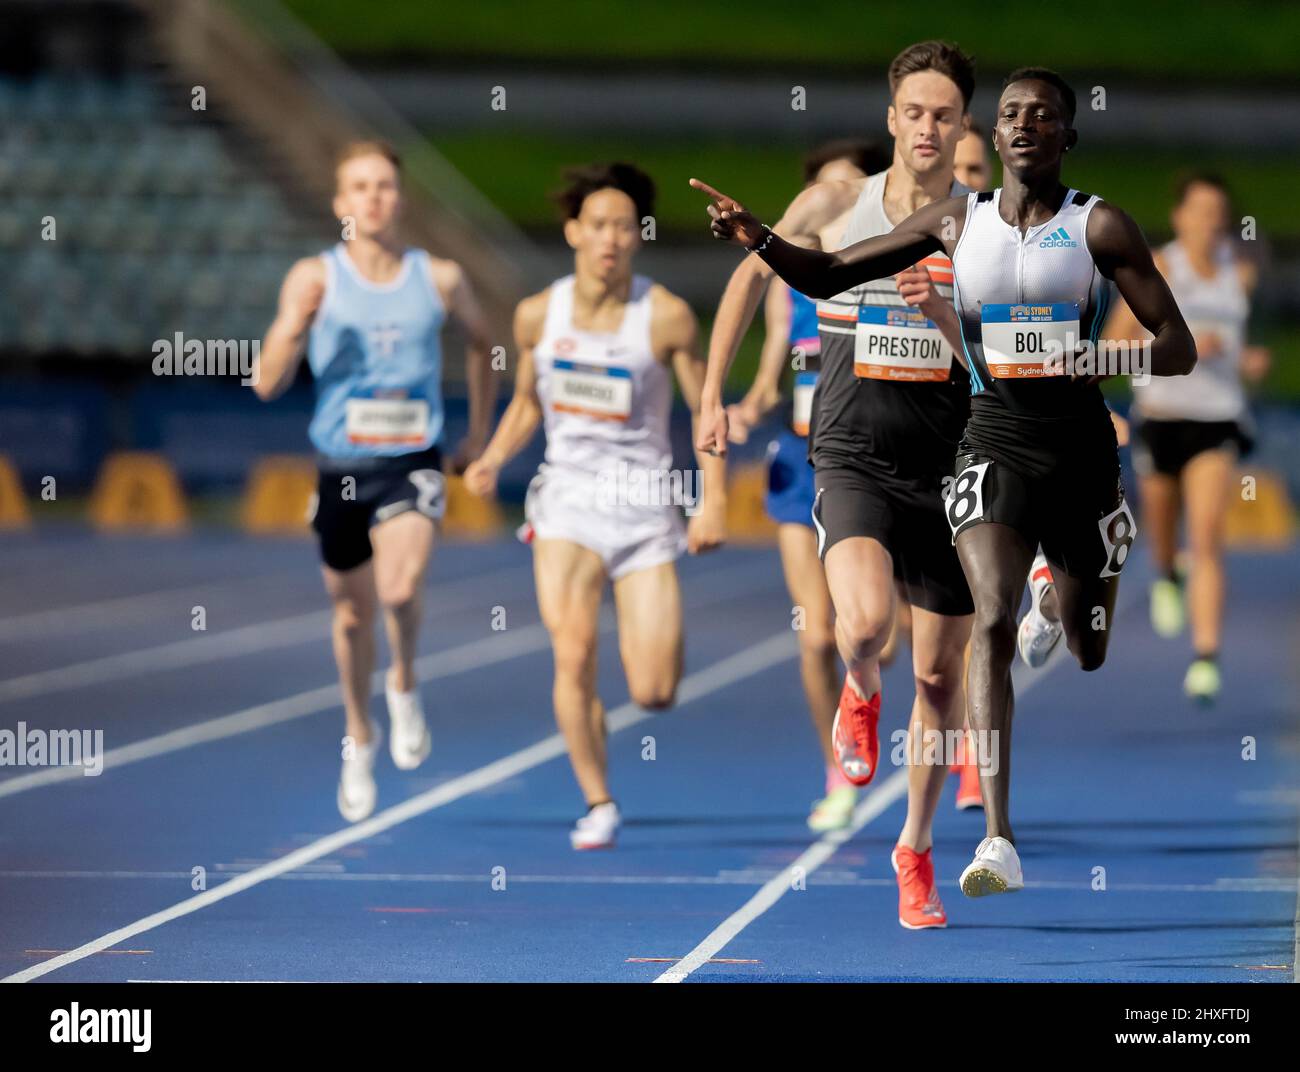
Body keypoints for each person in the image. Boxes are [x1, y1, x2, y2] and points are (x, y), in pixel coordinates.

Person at [693, 66, 1196, 897]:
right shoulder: (957, 221)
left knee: (1088, 646)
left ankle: (1065, 586)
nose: (1026, 124)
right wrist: (759, 238)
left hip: (1076, 454)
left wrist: (1100, 358)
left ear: (1068, 136)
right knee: (986, 621)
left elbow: (1177, 347)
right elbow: (828, 275)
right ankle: (995, 837)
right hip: (989, 441)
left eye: (1045, 115)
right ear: (992, 138)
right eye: (1012, 115)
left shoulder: (1100, 227)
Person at [697, 40, 980, 929]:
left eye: (945, 115)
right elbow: (756, 277)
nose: (928, 128)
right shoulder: (834, 203)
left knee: (940, 681)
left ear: (961, 125)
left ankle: (916, 850)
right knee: (861, 626)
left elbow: (1006, 349)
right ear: (893, 117)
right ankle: (859, 692)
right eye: (915, 112)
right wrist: (711, 393)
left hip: (947, 467)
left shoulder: (983, 223)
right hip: (850, 448)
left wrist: (951, 319)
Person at [464, 163, 726, 850]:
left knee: (655, 689)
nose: (610, 238)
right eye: (598, 224)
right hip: (568, 504)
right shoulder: (535, 315)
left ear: (637, 236)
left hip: (642, 509)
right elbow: (527, 399)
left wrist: (713, 499)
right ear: (574, 230)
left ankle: (614, 728)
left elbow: (707, 410)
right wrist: (493, 456)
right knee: (573, 652)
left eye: (624, 226)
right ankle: (599, 799)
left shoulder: (663, 315)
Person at [254, 140, 495, 821]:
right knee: (353, 613)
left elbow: (485, 345)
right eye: (359, 187)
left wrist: (477, 431)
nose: (373, 198)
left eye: (384, 186)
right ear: (340, 204)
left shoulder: (439, 278)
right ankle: (358, 734)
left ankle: (406, 682)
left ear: (400, 198)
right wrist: (294, 329)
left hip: (412, 461)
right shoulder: (315, 277)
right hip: (341, 469)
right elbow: (267, 382)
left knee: (399, 586)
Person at [725, 138, 888, 833]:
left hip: (877, 466)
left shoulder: (893, 277)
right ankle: (838, 766)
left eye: (853, 190)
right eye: (827, 192)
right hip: (800, 468)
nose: (838, 203)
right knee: (815, 635)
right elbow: (769, 371)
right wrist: (744, 406)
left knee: (882, 633)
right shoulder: (789, 287)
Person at [1104, 173, 1269, 703]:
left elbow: (1243, 342)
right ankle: (1167, 574)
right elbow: (1113, 346)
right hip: (1161, 415)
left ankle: (1205, 657)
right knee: (1164, 527)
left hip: (1217, 419)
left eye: (1217, 212)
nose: (1209, 222)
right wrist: (1182, 347)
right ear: (1179, 217)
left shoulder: (1238, 274)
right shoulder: (1159, 270)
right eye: (1198, 211)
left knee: (1208, 534)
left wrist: (1247, 360)